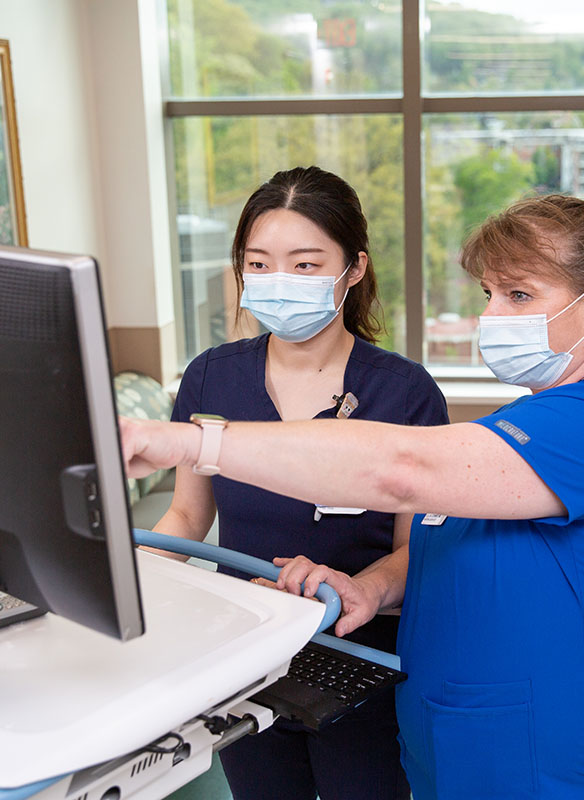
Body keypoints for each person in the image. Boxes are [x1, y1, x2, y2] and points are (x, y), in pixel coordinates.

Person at [125, 194, 584, 799]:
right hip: (473, 762)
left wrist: (190, 441)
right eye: (490, 294)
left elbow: (399, 469)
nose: (492, 316)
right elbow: (444, 552)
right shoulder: (527, 422)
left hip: (574, 773)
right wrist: (369, 588)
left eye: (519, 295)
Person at [152, 166, 448, 800]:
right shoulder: (210, 378)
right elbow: (186, 516)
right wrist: (130, 583)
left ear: (354, 269)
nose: (278, 281)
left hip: (358, 657)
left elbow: (416, 550)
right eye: (258, 264)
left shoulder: (404, 392)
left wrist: (355, 589)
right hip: (245, 653)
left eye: (306, 265)